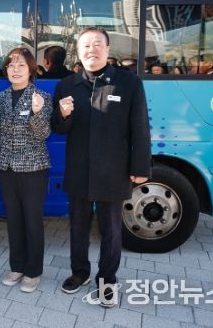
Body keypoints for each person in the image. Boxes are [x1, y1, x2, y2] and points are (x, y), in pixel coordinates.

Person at [51, 27, 151, 308]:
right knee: (78, 228)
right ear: (78, 51)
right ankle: (79, 273)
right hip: (79, 169)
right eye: (86, 45)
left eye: (97, 44)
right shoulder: (66, 85)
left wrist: (140, 166)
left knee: (111, 231)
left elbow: (140, 128)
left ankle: (107, 280)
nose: (91, 49)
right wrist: (63, 114)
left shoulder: (128, 83)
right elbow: (58, 128)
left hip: (113, 170)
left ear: (107, 49)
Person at [0, 47, 53, 294]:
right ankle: (17, 267)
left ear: (31, 69)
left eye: (21, 65)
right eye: (11, 65)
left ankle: (33, 271)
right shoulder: (0, 98)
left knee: (32, 222)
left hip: (33, 169)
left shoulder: (41, 96)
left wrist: (36, 113)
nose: (15, 70)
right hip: (6, 168)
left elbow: (44, 134)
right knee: (14, 221)